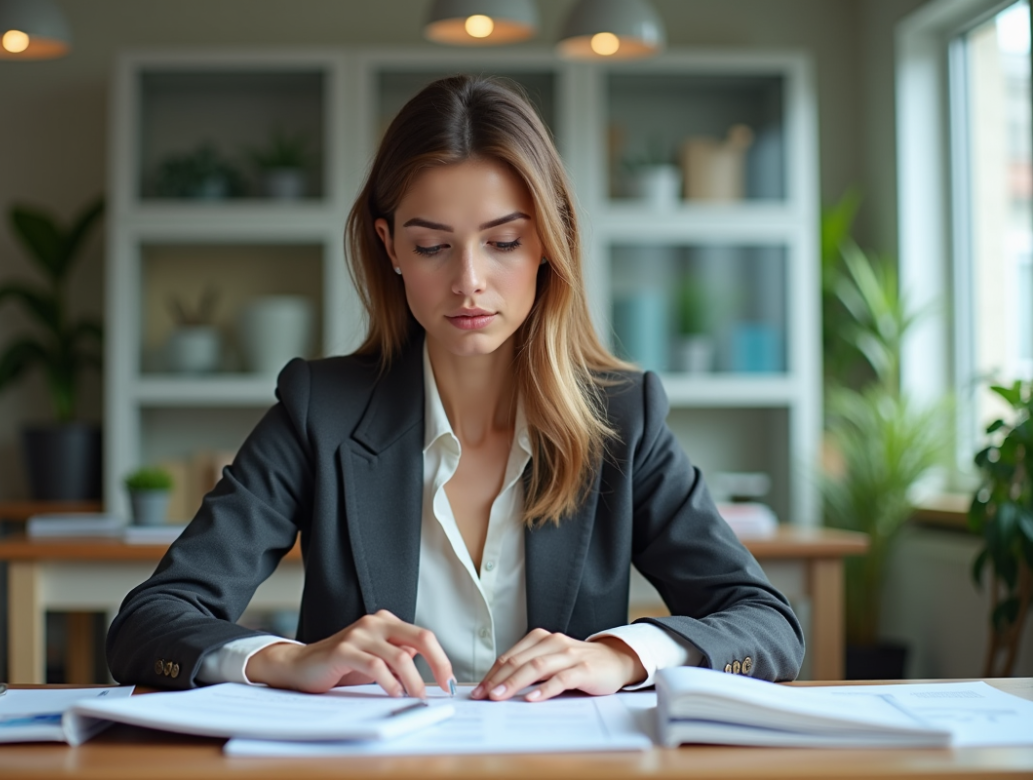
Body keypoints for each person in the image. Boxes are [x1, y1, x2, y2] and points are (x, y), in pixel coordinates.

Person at [106, 75, 804, 702]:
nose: (468, 281)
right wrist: (286, 658)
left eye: (503, 242)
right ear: (390, 247)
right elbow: (148, 622)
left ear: (548, 241)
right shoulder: (320, 410)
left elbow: (766, 623)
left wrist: (621, 655)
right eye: (432, 246)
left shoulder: (622, 417)